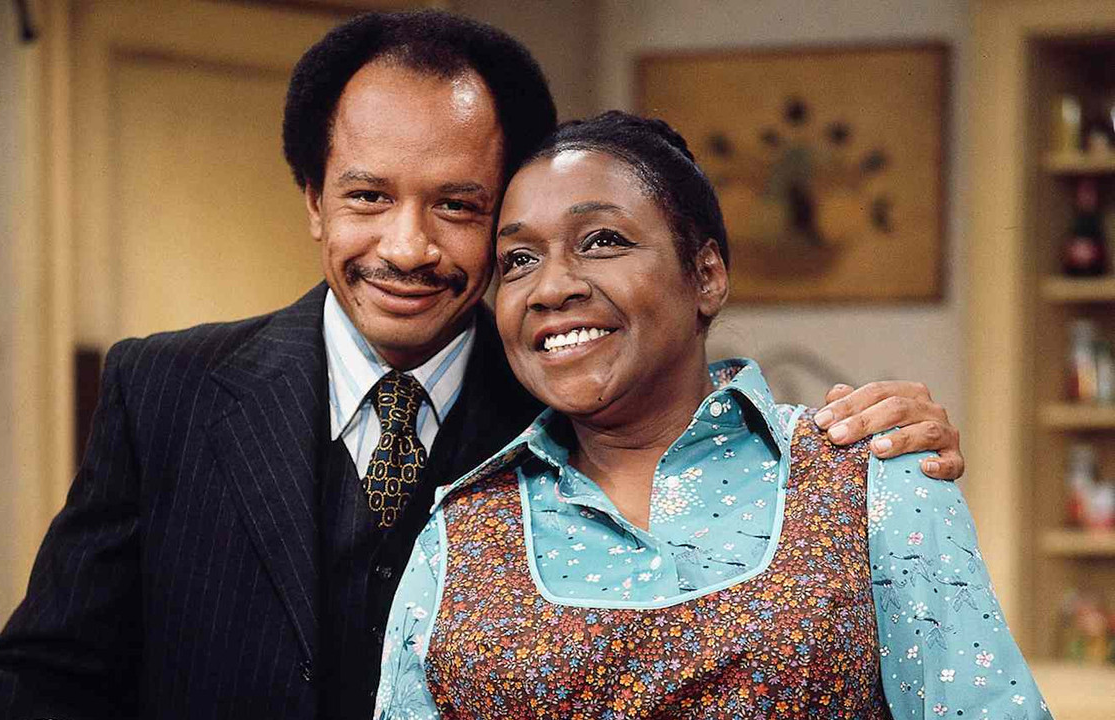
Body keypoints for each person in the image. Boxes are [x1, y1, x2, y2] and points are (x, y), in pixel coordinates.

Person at [0, 11, 968, 720]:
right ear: (312, 200)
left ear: (506, 215)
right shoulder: (166, 391)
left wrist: (871, 440)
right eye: (366, 198)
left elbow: (704, 442)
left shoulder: (579, 402)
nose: (406, 249)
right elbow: (44, 684)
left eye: (456, 206)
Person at [374, 112, 1049, 719]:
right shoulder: (460, 531)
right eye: (519, 260)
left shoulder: (869, 475)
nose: (551, 288)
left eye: (602, 241)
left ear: (707, 276)